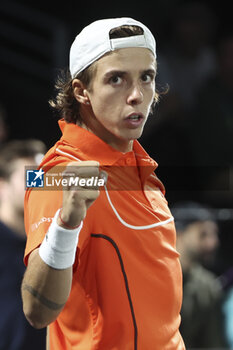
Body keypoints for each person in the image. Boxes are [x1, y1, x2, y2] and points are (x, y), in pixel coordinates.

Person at [21, 17, 185, 349]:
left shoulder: (142, 169)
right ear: (82, 91)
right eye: (116, 79)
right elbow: (36, 312)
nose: (137, 95)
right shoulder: (56, 174)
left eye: (146, 77)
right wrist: (66, 224)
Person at [0, 140, 46, 350]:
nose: (38, 183)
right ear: (3, 185)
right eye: (30, 176)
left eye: (42, 176)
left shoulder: (50, 241)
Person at [172, 201, 229, 348]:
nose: (213, 243)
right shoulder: (150, 276)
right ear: (179, 233)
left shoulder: (206, 287)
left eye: (214, 235)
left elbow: (214, 341)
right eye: (203, 234)